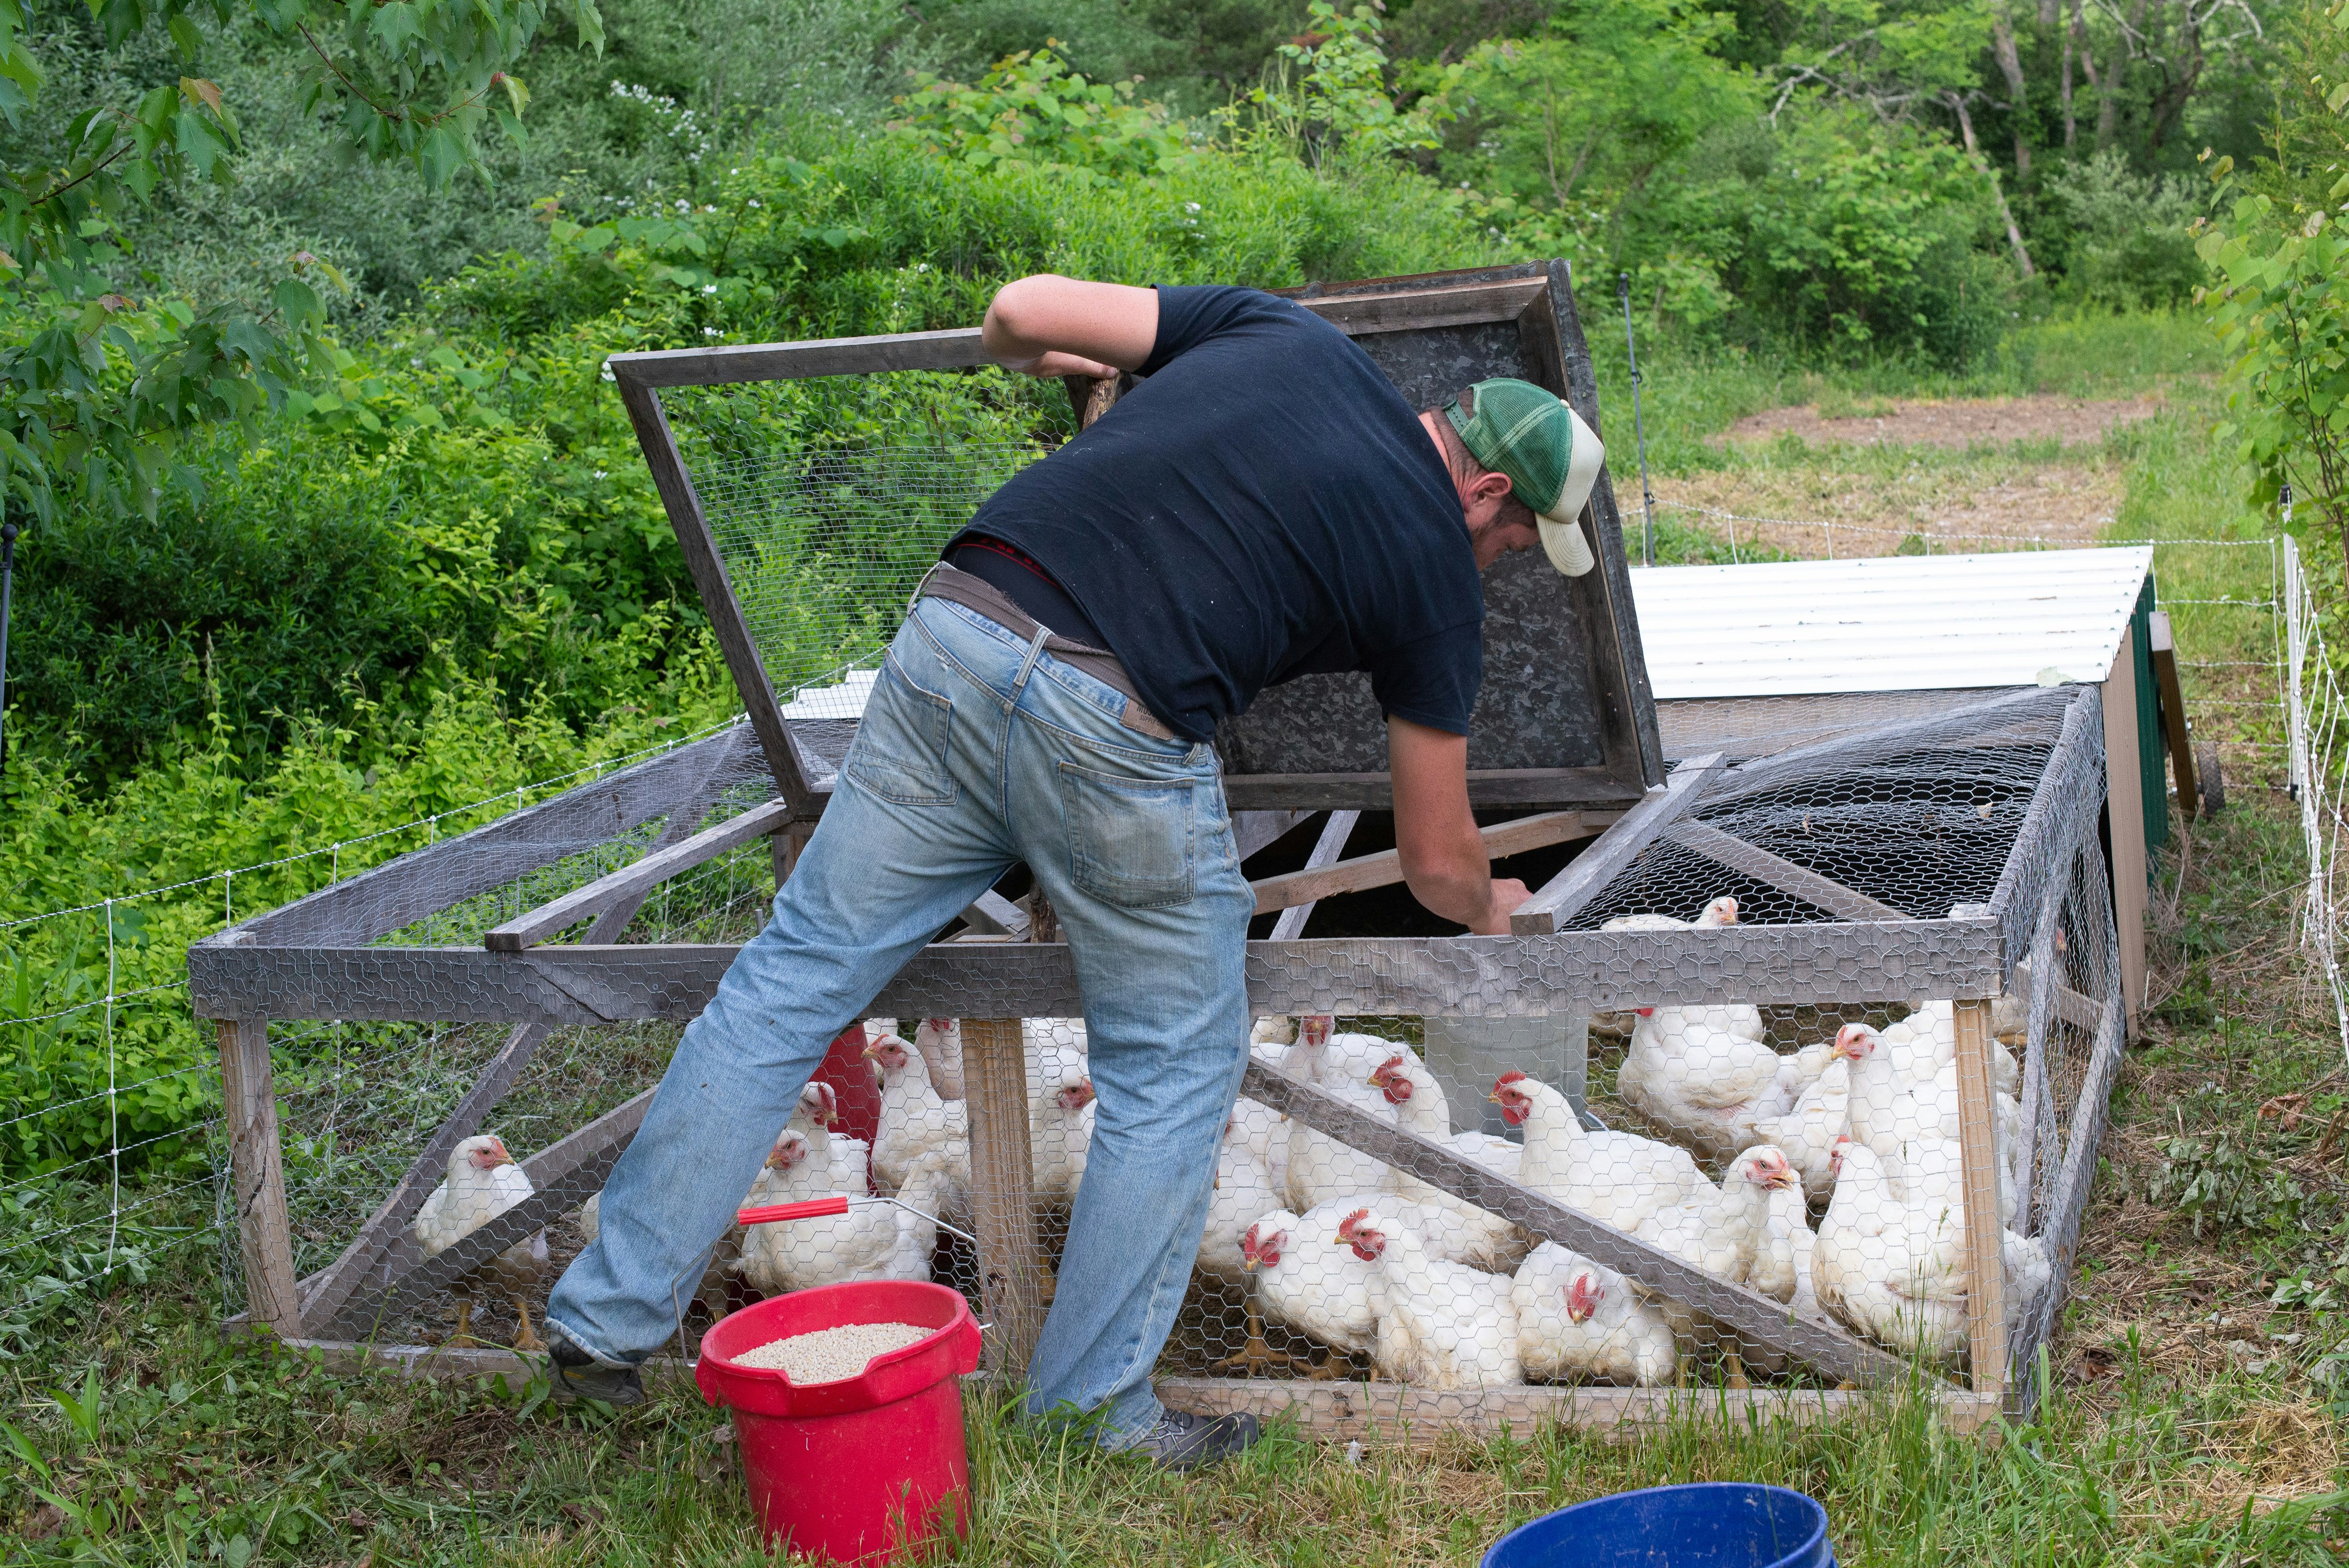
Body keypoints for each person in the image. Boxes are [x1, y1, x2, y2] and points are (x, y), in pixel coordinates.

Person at [541, 277, 1604, 1469]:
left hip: (957, 628)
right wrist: (1494, 916)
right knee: (1169, 1066)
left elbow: (1022, 303)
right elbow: (1435, 855)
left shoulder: (1282, 334)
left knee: (787, 984)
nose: (1503, 562)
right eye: (1516, 540)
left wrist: (1022, 354)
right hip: (1115, 713)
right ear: (1486, 487)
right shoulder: (1434, 569)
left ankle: (602, 1321)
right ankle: (1090, 1412)